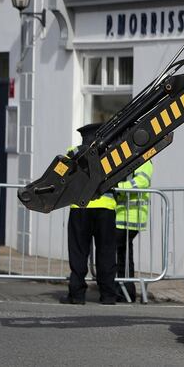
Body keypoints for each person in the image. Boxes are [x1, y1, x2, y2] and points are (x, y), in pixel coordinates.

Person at [61, 123, 118, 305]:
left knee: (78, 252)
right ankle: (108, 295)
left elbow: (61, 175)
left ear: (83, 136)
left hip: (80, 208)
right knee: (106, 253)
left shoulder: (73, 152)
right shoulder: (112, 154)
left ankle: (77, 294)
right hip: (106, 209)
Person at [114, 159, 153, 302]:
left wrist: (118, 187)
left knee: (115, 252)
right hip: (123, 216)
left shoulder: (144, 161)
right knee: (124, 254)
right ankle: (126, 291)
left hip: (131, 217)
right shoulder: (133, 161)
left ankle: (121, 289)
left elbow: (142, 181)